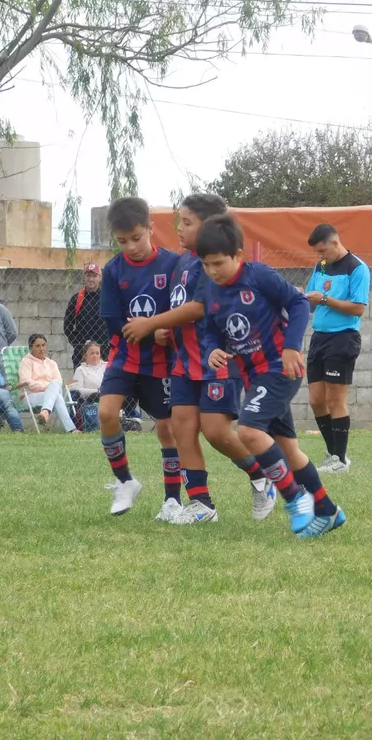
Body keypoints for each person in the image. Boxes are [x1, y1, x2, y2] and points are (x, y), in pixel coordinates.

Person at [121, 193, 276, 525]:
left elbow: (200, 307)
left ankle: (260, 474)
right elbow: (182, 310)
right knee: (182, 428)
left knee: (216, 431)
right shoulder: (182, 262)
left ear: (208, 226)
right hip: (184, 363)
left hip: (217, 361)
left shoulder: (213, 263)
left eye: (187, 222)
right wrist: (167, 332)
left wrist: (153, 322)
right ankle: (202, 504)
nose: (179, 228)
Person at [195, 213, 346, 538]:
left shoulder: (258, 276)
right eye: (206, 265)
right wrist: (211, 350)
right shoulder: (212, 291)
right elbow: (209, 329)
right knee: (288, 450)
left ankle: (295, 499)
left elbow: (299, 303)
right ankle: (328, 510)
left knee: (249, 430)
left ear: (238, 255)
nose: (212, 271)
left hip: (279, 369)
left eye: (218, 263)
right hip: (253, 378)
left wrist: (292, 346)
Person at [98, 196, 180, 516]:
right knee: (107, 412)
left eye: (136, 238)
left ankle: (172, 498)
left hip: (161, 362)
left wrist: (164, 332)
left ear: (150, 228)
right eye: (122, 241)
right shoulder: (113, 270)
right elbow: (112, 320)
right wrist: (145, 334)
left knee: (166, 426)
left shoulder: (172, 265)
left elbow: (182, 311)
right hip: (125, 356)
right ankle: (125, 482)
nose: (130, 247)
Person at [304, 223, 371, 474]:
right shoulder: (321, 266)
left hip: (342, 338)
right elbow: (312, 299)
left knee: (335, 399)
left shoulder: (357, 268)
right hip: (319, 338)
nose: (320, 256)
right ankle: (334, 454)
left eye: (322, 251)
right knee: (316, 400)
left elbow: (358, 308)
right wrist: (301, 297)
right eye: (317, 253)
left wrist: (323, 299)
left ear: (335, 242)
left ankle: (339, 460)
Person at [19, 334, 78, 433]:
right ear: (30, 348)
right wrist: (48, 388)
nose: (42, 348)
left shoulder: (52, 363)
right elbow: (26, 382)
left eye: (43, 345)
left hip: (50, 396)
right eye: (38, 346)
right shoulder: (26, 362)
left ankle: (45, 411)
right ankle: (72, 430)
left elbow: (58, 382)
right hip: (30, 396)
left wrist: (51, 389)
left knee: (55, 384)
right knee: (57, 396)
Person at [64, 262, 109, 369]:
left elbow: (114, 321)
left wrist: (108, 344)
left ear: (100, 277)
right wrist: (78, 344)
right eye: (88, 275)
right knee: (79, 383)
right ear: (85, 277)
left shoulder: (107, 298)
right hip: (81, 353)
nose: (91, 279)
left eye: (94, 276)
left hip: (104, 352)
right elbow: (67, 324)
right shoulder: (77, 298)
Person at [69, 340, 106, 432]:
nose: (95, 356)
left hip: (108, 394)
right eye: (92, 353)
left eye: (97, 353)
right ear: (85, 355)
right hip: (90, 399)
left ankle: (131, 420)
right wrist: (96, 391)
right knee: (96, 396)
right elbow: (77, 389)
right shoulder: (81, 369)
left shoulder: (107, 366)